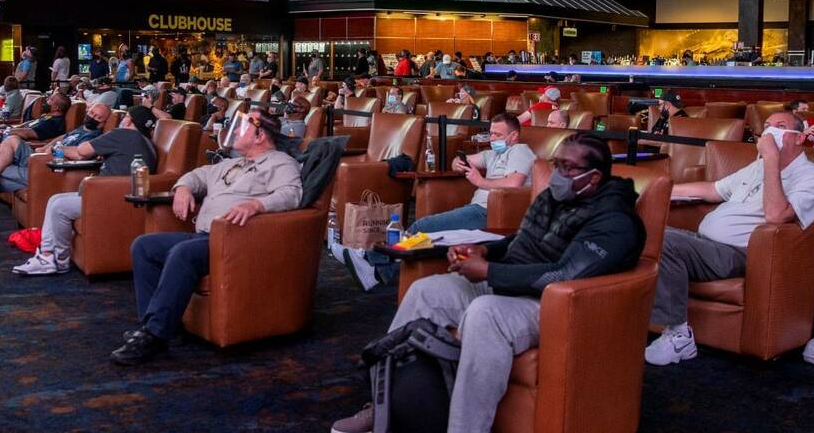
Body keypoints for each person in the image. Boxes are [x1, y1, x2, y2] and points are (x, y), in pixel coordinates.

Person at [331, 133, 646, 433]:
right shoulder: (555, 198)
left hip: (555, 304)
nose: (557, 174)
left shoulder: (615, 220)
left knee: (485, 313)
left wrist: (488, 272)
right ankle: (386, 407)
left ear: (593, 177)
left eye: (567, 167)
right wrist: (483, 251)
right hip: (511, 283)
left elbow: (563, 275)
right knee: (426, 291)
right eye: (556, 163)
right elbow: (523, 242)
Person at [110, 109, 302, 364]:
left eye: (241, 127)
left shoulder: (279, 162)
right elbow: (196, 175)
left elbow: (292, 194)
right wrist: (183, 189)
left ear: (259, 136)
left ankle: (154, 336)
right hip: (205, 236)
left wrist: (256, 205)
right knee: (144, 246)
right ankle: (155, 325)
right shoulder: (231, 163)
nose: (234, 131)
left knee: (182, 253)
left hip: (236, 239)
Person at [645, 112, 814, 366]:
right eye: (766, 127)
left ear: (800, 138)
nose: (770, 133)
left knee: (665, 241)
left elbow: (777, 215)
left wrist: (771, 159)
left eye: (780, 127)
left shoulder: (809, 175)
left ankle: (679, 335)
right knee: (643, 229)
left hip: (739, 253)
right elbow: (713, 190)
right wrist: (656, 189)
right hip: (704, 242)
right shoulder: (757, 166)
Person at [338, 113, 535, 292]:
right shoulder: (492, 154)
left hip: (490, 212)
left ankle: (372, 262)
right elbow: (464, 160)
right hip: (476, 209)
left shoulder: (520, 151)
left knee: (421, 227)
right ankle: (377, 269)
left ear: (514, 136)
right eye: (491, 134)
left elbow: (514, 182)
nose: (492, 139)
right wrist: (457, 163)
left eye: (498, 135)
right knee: (424, 230)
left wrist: (480, 181)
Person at [13, 106, 161, 274]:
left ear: (129, 120)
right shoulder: (148, 144)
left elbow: (82, 151)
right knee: (56, 199)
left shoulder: (124, 134)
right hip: (122, 197)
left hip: (107, 197)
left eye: (125, 117)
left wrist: (58, 148)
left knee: (59, 207)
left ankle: (55, 258)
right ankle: (50, 256)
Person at [0, 94, 78, 235]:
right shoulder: (47, 118)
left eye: (50, 100)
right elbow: (29, 129)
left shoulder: (55, 122)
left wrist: (4, 132)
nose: (46, 101)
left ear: (57, 107)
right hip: (21, 152)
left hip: (34, 161)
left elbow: (29, 134)